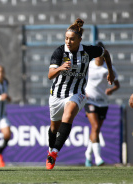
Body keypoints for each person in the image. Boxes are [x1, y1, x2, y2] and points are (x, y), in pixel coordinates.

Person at [46, 18, 115, 170]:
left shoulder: (88, 51)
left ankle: (55, 152)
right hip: (57, 94)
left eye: (71, 39)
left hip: (77, 92)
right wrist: (60, 68)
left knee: (69, 113)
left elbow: (106, 53)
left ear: (79, 39)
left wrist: (110, 71)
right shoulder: (59, 52)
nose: (68, 42)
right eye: (66, 38)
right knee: (53, 128)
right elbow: (50, 75)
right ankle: (51, 150)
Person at [84, 42, 120, 167]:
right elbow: (81, 80)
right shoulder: (88, 66)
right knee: (95, 126)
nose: (98, 57)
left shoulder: (108, 67)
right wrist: (83, 92)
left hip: (103, 102)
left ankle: (88, 155)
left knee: (96, 129)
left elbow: (117, 84)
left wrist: (111, 90)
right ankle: (98, 158)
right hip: (90, 100)